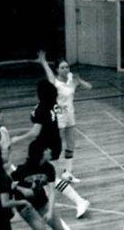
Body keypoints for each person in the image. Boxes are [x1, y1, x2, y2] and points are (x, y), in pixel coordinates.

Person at [12, 79, 90, 218]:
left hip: (45, 146)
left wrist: (17, 139)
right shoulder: (54, 104)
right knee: (45, 176)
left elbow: (35, 132)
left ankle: (80, 201)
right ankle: (47, 204)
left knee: (51, 178)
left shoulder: (41, 108)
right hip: (54, 143)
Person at [37, 50, 92, 181]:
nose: (66, 69)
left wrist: (80, 81)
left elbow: (89, 87)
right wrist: (43, 62)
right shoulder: (54, 81)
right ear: (57, 70)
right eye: (62, 67)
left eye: (67, 67)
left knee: (71, 144)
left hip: (70, 115)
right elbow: (48, 71)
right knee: (56, 146)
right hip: (59, 116)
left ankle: (68, 172)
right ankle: (50, 172)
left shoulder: (71, 78)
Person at [11, 140, 71, 230]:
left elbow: (52, 192)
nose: (50, 150)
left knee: (59, 228)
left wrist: (50, 211)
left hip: (40, 199)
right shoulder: (22, 170)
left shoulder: (49, 168)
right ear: (40, 153)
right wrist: (22, 189)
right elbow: (8, 185)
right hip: (25, 205)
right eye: (46, 149)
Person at [0, 145, 32, 230]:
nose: (7, 153)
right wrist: (23, 202)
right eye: (3, 153)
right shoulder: (2, 178)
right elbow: (5, 203)